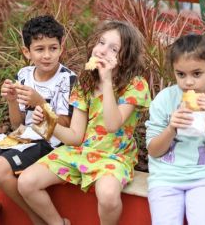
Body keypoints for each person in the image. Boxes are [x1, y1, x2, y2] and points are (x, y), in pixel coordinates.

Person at [17, 20, 151, 225]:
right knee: (26, 182)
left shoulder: (135, 85)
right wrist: (47, 118)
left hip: (113, 156)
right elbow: (75, 137)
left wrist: (106, 82)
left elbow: (112, 125)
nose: (103, 50)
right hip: (82, 151)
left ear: (125, 58)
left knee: (107, 196)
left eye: (114, 48)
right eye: (101, 42)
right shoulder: (85, 83)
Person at [0, 15, 76, 225]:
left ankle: (41, 220)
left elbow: (65, 126)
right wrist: (11, 100)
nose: (47, 55)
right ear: (27, 52)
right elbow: (18, 124)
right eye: (40, 49)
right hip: (24, 136)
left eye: (53, 48)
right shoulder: (24, 74)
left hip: (50, 142)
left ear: (61, 48)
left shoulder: (67, 79)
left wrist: (40, 104)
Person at [145, 34, 205, 225]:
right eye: (181, 74)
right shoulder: (165, 99)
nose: (188, 82)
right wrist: (172, 127)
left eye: (197, 74)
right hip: (165, 177)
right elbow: (153, 151)